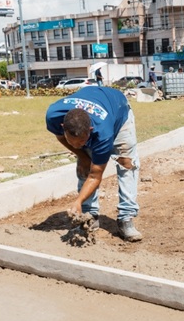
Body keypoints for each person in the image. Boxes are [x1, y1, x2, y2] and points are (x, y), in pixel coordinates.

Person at [45, 86, 142, 242]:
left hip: (119, 111)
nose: (77, 145)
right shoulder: (54, 115)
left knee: (126, 164)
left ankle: (126, 217)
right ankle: (89, 216)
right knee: (84, 166)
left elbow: (95, 175)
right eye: (73, 142)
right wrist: (82, 155)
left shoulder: (102, 133)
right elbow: (60, 137)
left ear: (90, 131)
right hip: (95, 104)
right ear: (63, 127)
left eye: (82, 141)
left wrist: (77, 201)